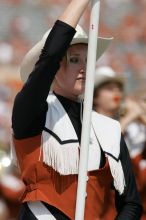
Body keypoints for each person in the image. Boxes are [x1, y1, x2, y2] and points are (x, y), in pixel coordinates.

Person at [11, 1, 142, 219]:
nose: (84, 67)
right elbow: (50, 57)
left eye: (88, 60)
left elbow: (131, 204)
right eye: (74, 59)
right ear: (53, 69)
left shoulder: (108, 128)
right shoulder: (33, 112)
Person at [93, 66, 145, 219]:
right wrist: (129, 118)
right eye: (109, 88)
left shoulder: (132, 128)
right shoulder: (88, 124)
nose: (116, 93)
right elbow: (106, 147)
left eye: (118, 89)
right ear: (95, 96)